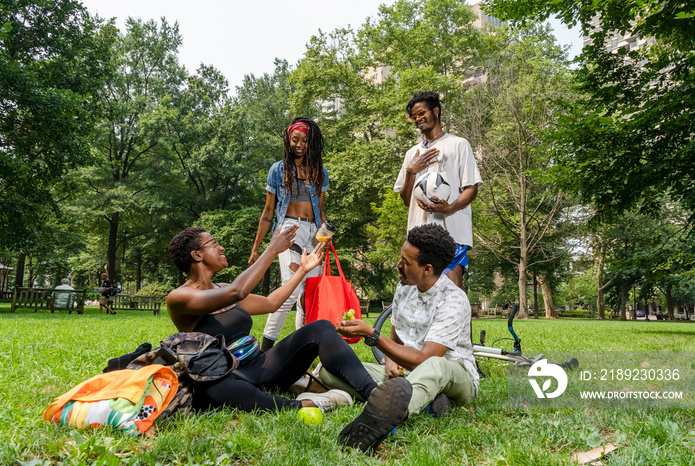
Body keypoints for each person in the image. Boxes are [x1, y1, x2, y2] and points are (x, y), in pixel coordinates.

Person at [165, 226, 402, 414]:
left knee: (319, 328)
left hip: (262, 366)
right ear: (197, 254)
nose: (222, 247)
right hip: (229, 376)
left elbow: (270, 303)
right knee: (210, 386)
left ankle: (375, 394)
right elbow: (238, 292)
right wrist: (271, 250)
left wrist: (301, 271)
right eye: (214, 243)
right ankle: (303, 405)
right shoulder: (180, 298)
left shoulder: (223, 288)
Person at [334, 224, 479, 453]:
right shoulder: (405, 287)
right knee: (332, 368)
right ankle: (426, 403)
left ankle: (392, 413)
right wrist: (389, 361)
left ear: (427, 268)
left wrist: (371, 334)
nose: (398, 265)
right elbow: (396, 340)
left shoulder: (454, 300)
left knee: (436, 366)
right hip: (408, 374)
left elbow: (425, 359)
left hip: (454, 375)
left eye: (405, 262)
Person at [249, 117, 330, 352]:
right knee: (291, 288)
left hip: (314, 232)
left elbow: (321, 211)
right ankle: (264, 351)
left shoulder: (320, 171)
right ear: (288, 140)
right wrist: (257, 248)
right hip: (289, 231)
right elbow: (268, 212)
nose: (299, 144)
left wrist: (324, 238)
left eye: (305, 140)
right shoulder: (278, 169)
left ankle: (301, 350)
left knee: (309, 293)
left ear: (311, 143)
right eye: (295, 140)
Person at [393, 91, 482, 292]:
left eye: (422, 113)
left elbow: (471, 188)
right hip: (418, 235)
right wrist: (411, 171)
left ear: (436, 111)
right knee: (413, 293)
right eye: (414, 116)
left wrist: (450, 207)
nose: (418, 119)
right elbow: (407, 200)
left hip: (451, 233)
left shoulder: (458, 144)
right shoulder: (411, 154)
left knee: (453, 291)